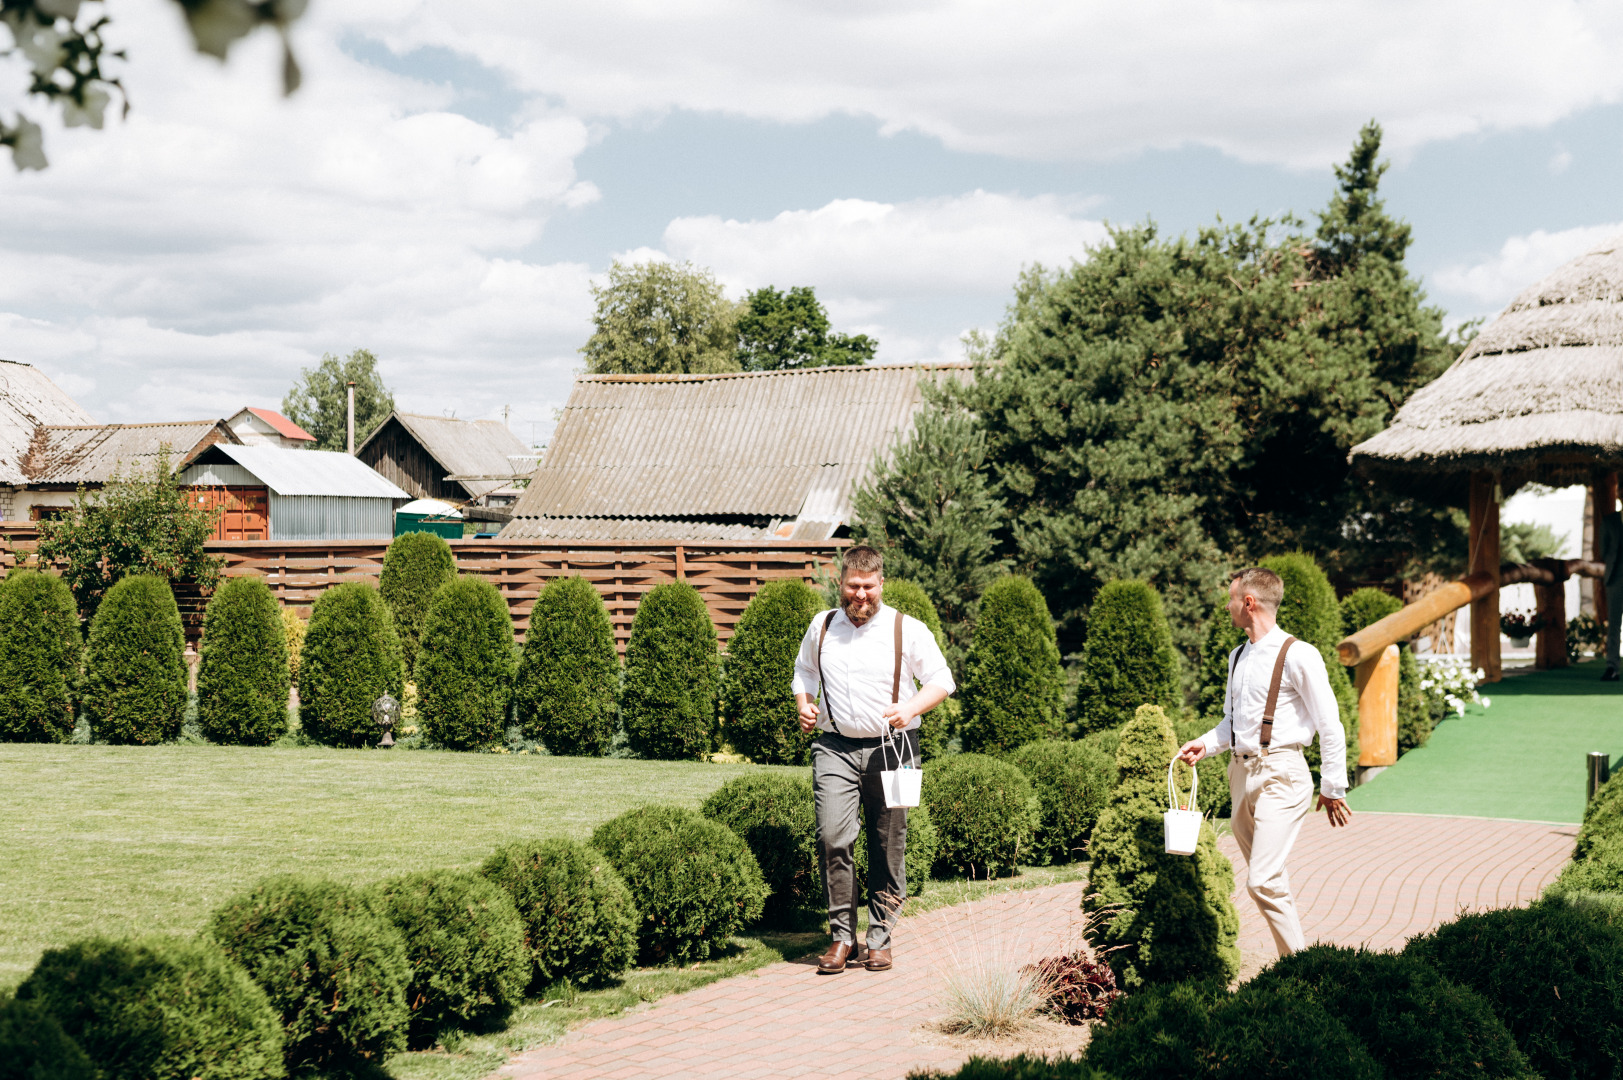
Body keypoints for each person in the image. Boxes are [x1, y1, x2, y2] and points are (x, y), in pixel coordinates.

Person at [792, 545, 954, 974]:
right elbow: (804, 670)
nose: (859, 595)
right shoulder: (822, 626)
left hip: (892, 749)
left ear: (881, 584)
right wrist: (804, 704)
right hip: (835, 747)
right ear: (840, 584)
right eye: (852, 586)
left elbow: (942, 680)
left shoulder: (906, 628)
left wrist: (912, 708)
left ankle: (879, 937)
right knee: (833, 837)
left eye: (867, 587)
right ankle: (842, 938)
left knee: (887, 846)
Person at [1177, 567, 1352, 956]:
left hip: (1282, 775)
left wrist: (1332, 786)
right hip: (1240, 775)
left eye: (1232, 599)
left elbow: (1330, 723)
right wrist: (1205, 745)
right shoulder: (1236, 656)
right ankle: (1297, 966)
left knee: (1261, 881)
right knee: (1270, 880)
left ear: (1249, 602)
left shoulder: (1300, 654)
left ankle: (1301, 969)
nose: (1228, 606)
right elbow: (1231, 723)